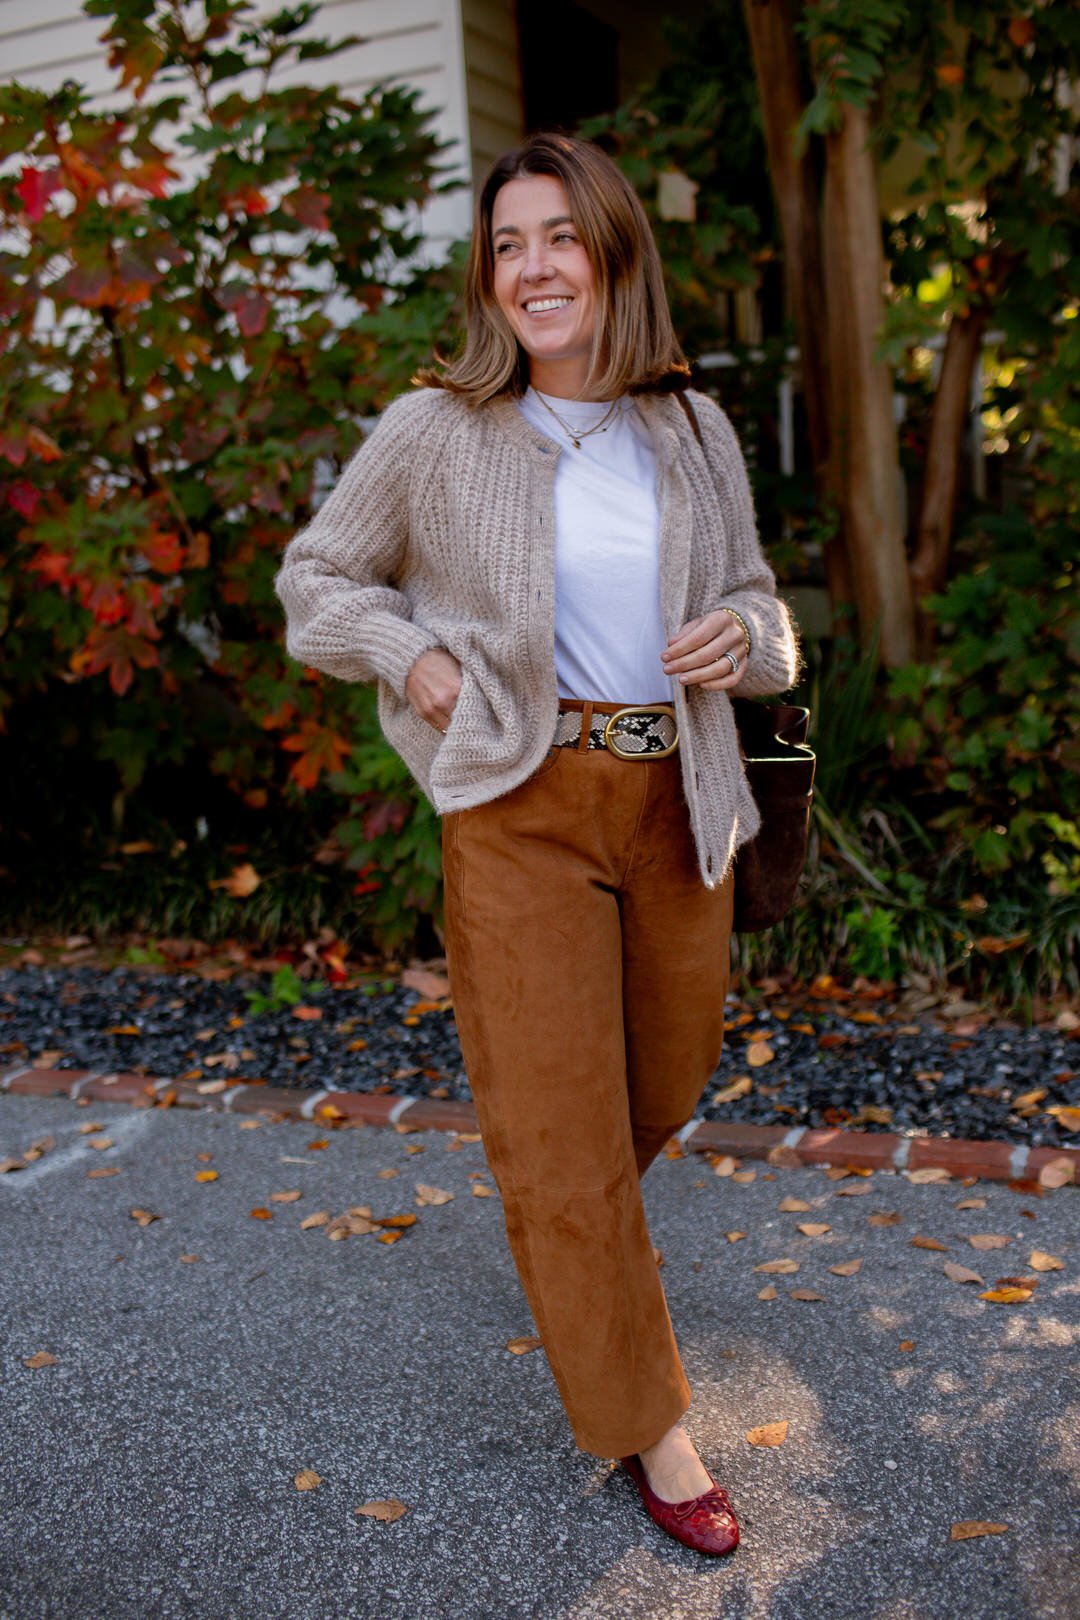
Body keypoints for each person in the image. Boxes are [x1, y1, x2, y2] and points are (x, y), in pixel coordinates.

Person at [274, 131, 801, 1557]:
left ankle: (566, 1228)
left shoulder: (692, 428)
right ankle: (652, 1425)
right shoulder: (435, 428)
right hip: (518, 801)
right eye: (508, 245)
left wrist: (741, 634)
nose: (535, 267)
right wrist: (409, 653)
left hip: (676, 800)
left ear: (614, 253)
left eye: (560, 236)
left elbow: (764, 604)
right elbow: (317, 579)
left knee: (663, 1083)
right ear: (489, 278)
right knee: (565, 1144)